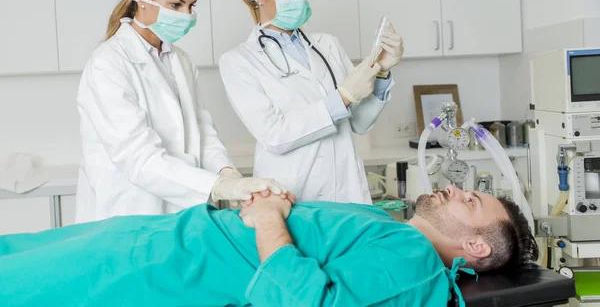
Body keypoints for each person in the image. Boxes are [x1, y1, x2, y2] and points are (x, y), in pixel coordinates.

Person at [0, 185, 538, 306]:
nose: (458, 188)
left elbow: (306, 304)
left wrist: (267, 220)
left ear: (475, 247)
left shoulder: (414, 263)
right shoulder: (391, 225)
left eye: (471, 201)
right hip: (158, 239)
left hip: (166, 270)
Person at [76, 0, 288, 223]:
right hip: (131, 212)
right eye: (176, 5)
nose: (187, 15)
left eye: (191, 5)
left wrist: (227, 173)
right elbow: (137, 157)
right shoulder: (109, 63)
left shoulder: (181, 61)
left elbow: (202, 131)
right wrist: (215, 187)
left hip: (182, 214)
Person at [219, 0, 404, 204]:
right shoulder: (238, 61)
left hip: (347, 194)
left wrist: (381, 74)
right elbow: (275, 135)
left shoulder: (327, 45)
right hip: (290, 196)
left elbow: (358, 123)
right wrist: (343, 97)